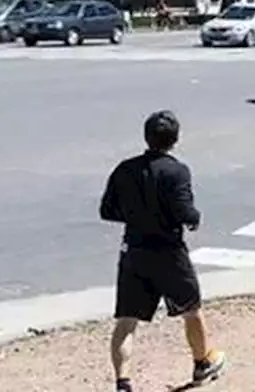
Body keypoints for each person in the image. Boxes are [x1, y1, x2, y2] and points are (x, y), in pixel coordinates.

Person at [99, 112, 226, 392]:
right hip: (169, 252)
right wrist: (194, 218)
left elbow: (107, 210)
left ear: (146, 137)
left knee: (127, 321)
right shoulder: (176, 171)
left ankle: (123, 382)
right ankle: (202, 362)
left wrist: (136, 215)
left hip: (133, 250)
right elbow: (184, 211)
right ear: (175, 140)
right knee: (191, 309)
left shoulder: (125, 169)